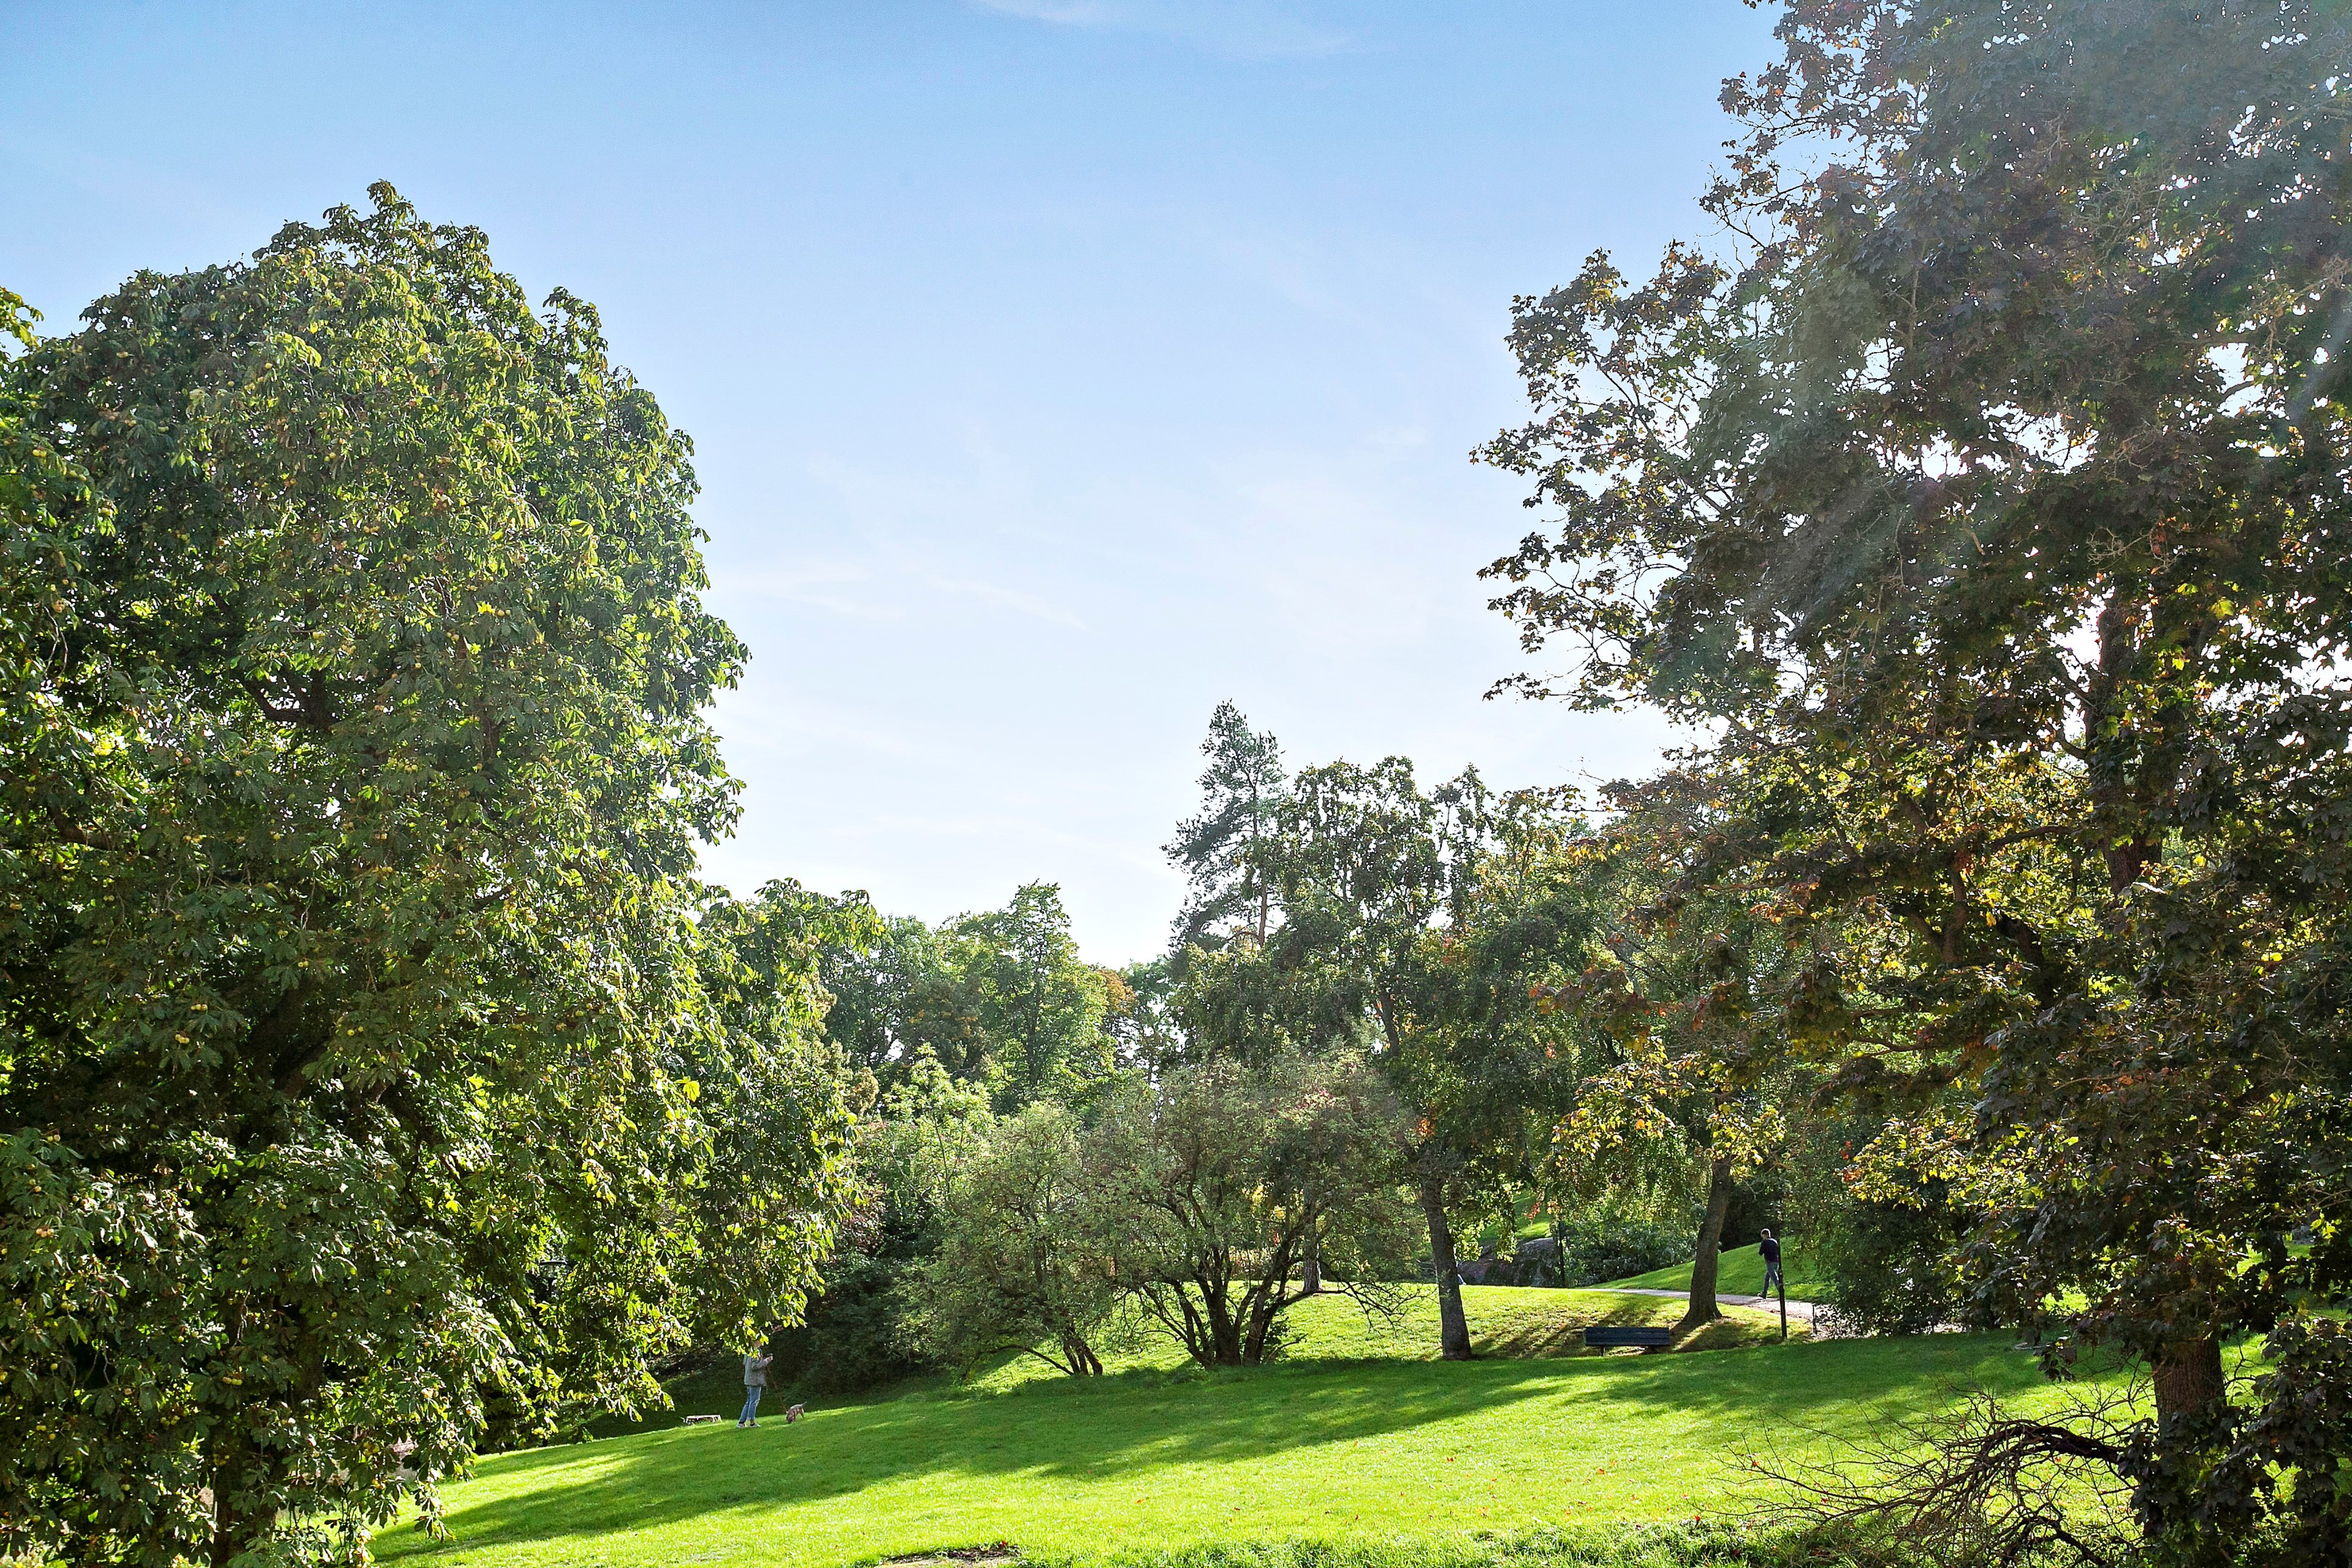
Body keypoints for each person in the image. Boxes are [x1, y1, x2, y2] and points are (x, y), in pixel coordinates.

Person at [738, 1348, 772, 1428]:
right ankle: (752, 1423)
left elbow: (745, 1363)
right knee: (754, 1401)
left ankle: (741, 1422)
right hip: (755, 1380)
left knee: (749, 1401)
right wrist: (766, 1361)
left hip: (749, 1379)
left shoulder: (748, 1351)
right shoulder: (756, 1351)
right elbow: (754, 1366)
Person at [1757, 1228, 1784, 1297]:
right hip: (1776, 1261)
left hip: (1769, 1262)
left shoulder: (1764, 1242)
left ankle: (1781, 1293)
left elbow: (1760, 1253)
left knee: (1774, 1278)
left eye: (1762, 1236)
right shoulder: (1774, 1241)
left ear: (1765, 1235)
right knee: (1767, 1277)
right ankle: (1764, 1293)